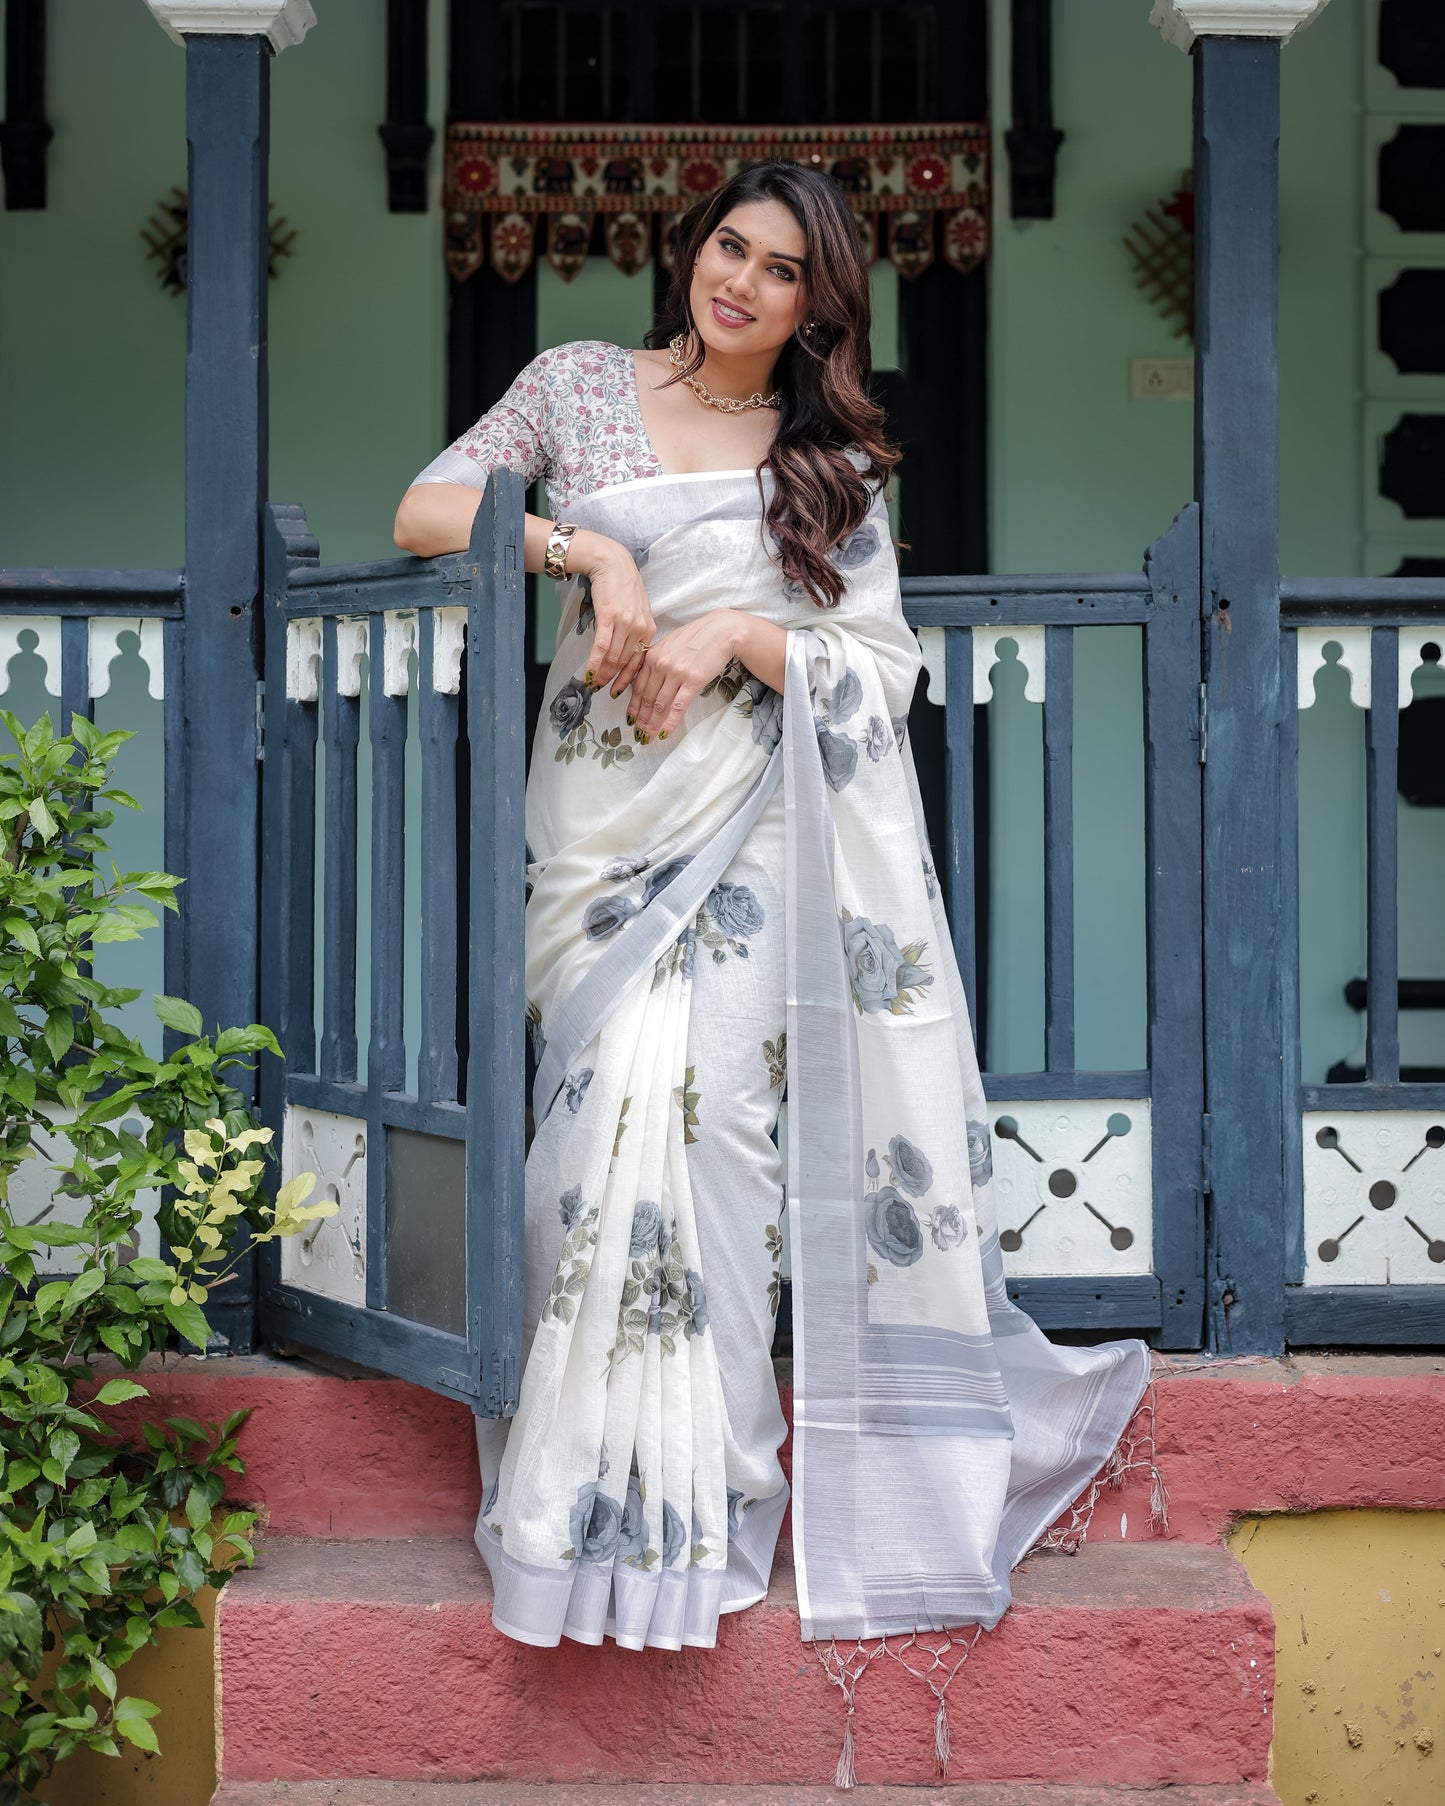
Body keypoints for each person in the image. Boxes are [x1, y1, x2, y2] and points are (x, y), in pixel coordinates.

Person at [395, 160, 1149, 1710]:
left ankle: (710, 1502)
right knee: (585, 1143)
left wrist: (741, 631)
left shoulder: (828, 464)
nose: (738, 281)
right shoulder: (578, 386)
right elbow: (422, 508)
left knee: (721, 1148)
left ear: (817, 304)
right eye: (728, 247)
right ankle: (588, 1508)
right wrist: (585, 552)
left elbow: (878, 670)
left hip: (749, 844)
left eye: (780, 269)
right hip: (597, 847)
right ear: (691, 247)